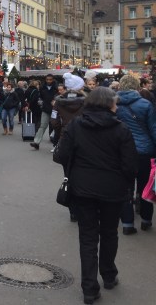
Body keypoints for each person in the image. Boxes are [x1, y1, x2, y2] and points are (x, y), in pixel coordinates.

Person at [57, 87, 138, 304]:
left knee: (88, 237)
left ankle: (89, 288)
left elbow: (62, 154)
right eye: (115, 103)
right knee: (110, 233)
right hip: (113, 190)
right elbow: (130, 166)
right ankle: (109, 275)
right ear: (109, 104)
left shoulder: (76, 125)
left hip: (82, 189)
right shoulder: (121, 129)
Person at [114, 74, 156, 234]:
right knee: (145, 186)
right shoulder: (145, 104)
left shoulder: (113, 104)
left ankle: (127, 223)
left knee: (126, 187)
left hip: (122, 151)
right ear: (137, 87)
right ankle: (146, 220)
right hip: (145, 151)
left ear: (120, 86)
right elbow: (153, 128)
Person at [51, 73, 87, 221]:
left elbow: (54, 120)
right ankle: (83, 206)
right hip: (84, 140)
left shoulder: (58, 102)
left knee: (68, 174)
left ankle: (73, 210)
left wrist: (61, 131)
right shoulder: (86, 101)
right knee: (84, 173)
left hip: (65, 139)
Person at [32, 74, 58, 149]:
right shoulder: (42, 88)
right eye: (47, 79)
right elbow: (40, 97)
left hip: (55, 110)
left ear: (53, 80)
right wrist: (40, 103)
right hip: (45, 109)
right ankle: (36, 142)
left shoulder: (56, 88)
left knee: (56, 126)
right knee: (42, 126)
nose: (49, 81)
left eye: (50, 79)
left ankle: (56, 143)